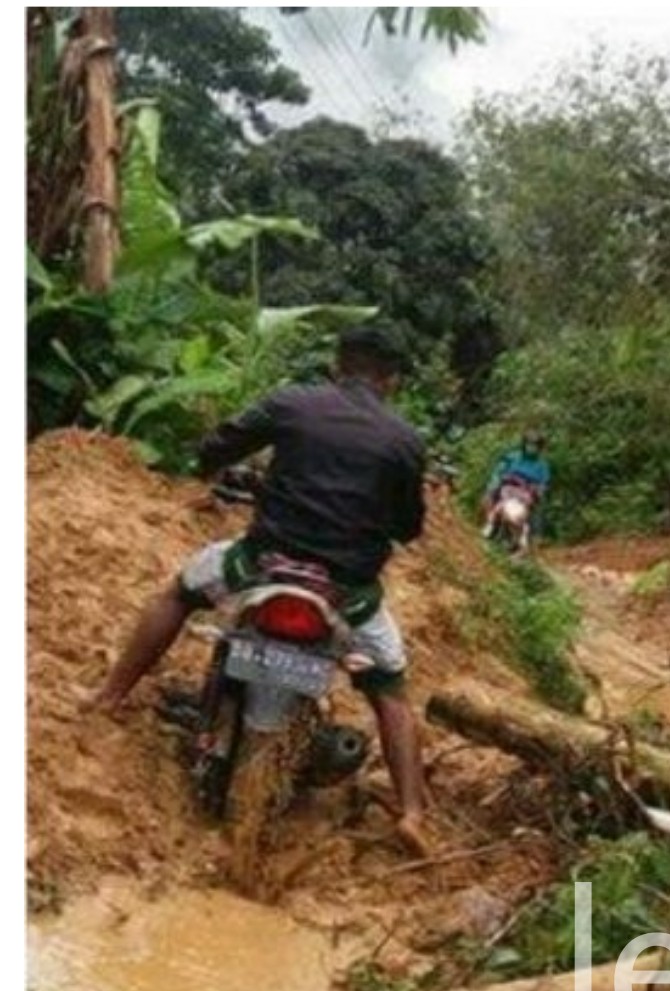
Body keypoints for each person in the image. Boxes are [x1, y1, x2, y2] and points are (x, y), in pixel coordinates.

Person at [88, 322, 436, 854]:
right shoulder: (405, 442)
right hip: (347, 593)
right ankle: (411, 812)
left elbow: (217, 446)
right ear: (392, 380)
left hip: (259, 568)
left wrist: (210, 469)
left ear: (338, 362)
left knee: (179, 593)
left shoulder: (293, 403)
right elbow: (408, 527)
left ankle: (109, 697)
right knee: (389, 688)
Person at [484, 430, 553, 540]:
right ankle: (490, 523)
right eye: (529, 444)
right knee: (491, 491)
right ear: (524, 444)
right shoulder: (513, 457)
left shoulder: (542, 466)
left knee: (539, 506)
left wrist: (539, 490)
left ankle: (534, 536)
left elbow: (544, 484)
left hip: (527, 493)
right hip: (508, 487)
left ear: (539, 448)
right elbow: (499, 470)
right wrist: (497, 480)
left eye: (534, 445)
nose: (531, 448)